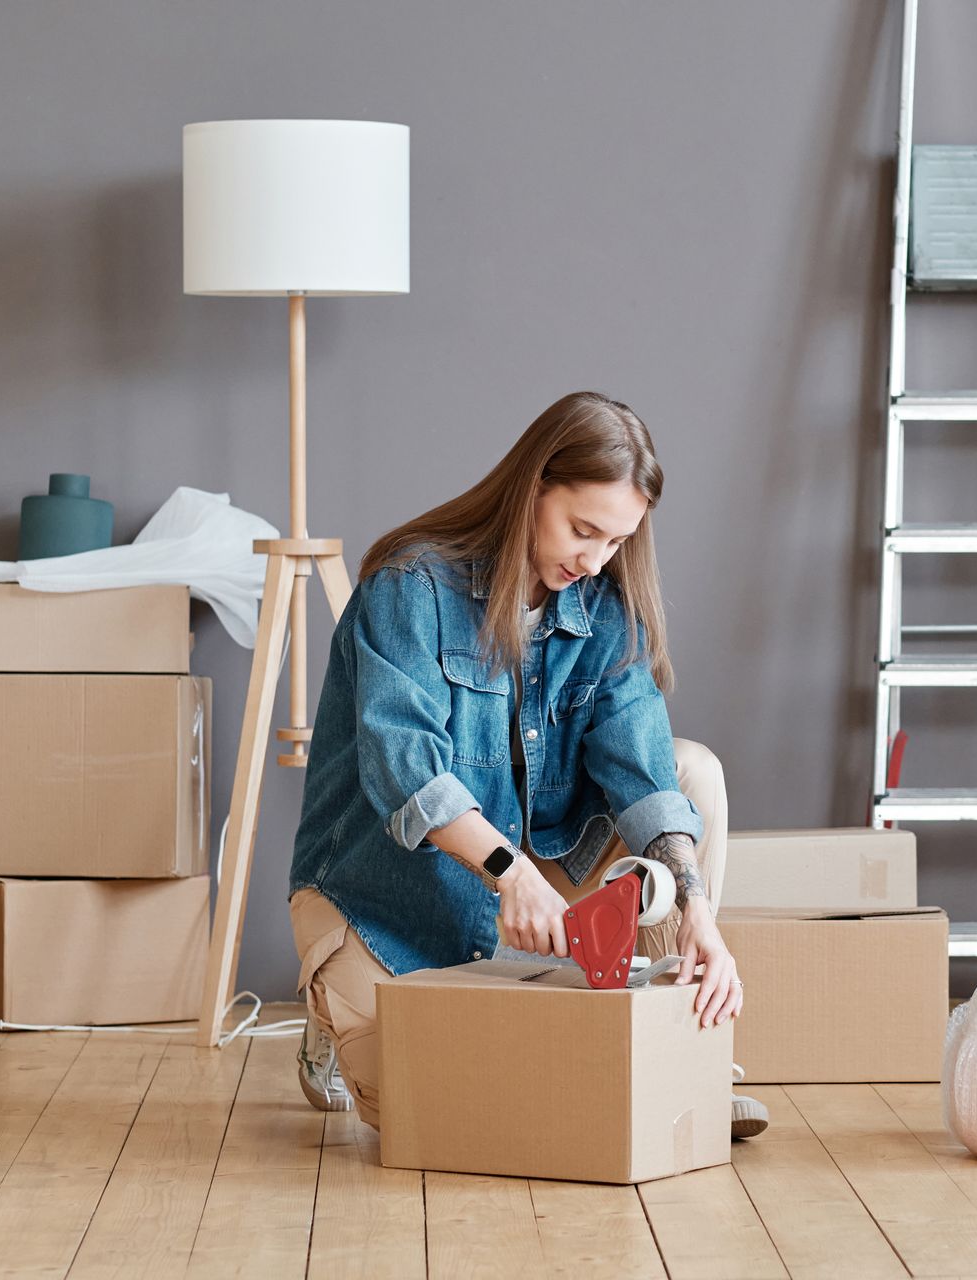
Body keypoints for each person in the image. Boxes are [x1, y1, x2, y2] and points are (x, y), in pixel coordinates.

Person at [286, 390, 766, 1140]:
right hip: (384, 902)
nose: (595, 559)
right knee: (431, 1117)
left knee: (688, 768)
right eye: (582, 530)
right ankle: (332, 1011)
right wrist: (511, 873)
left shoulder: (604, 610)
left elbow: (645, 772)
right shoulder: (409, 588)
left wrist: (697, 908)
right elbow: (405, 772)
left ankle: (672, 1048)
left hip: (536, 884)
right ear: (533, 487)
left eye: (616, 541)